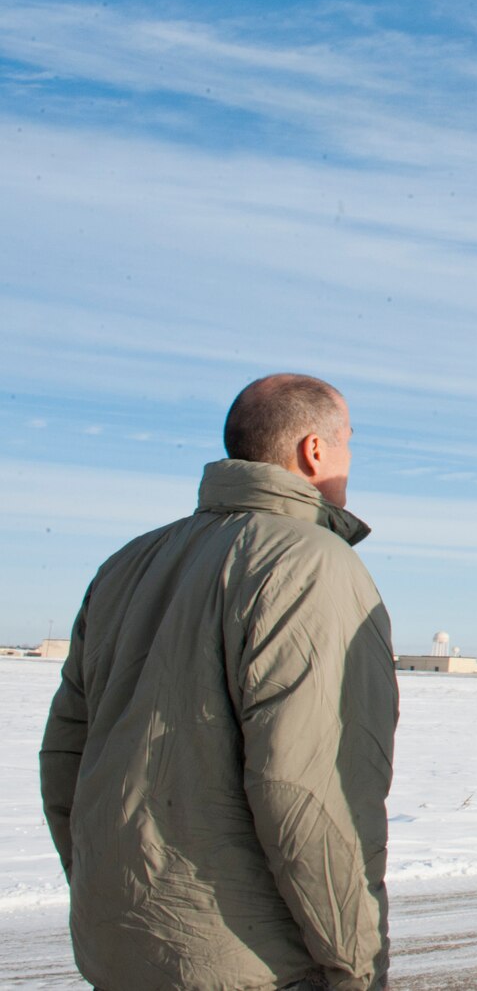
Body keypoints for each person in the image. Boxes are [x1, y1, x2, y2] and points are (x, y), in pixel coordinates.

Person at [40, 374, 397, 991]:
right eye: (347, 444)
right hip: (249, 960)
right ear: (314, 450)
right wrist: (357, 962)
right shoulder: (310, 562)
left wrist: (108, 887)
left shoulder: (128, 562)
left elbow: (66, 753)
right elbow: (308, 788)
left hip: (120, 943)